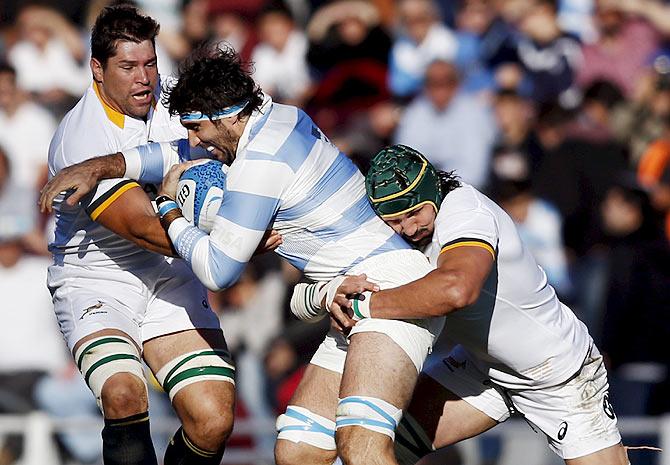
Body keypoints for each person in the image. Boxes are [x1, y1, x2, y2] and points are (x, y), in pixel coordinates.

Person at [40, 45, 444, 465]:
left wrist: (169, 210)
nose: (193, 139)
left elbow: (219, 271)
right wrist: (101, 166)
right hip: (351, 296)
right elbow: (177, 152)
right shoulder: (278, 116)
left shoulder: (261, 164)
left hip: (391, 291)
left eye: (197, 127)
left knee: (362, 449)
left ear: (229, 115)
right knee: (297, 453)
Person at [298, 145, 629, 465]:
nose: (408, 228)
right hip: (483, 367)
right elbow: (305, 296)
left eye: (414, 212)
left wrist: (365, 307)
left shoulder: (465, 209)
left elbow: (457, 291)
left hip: (559, 374)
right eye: (395, 221)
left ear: (433, 193)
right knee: (366, 451)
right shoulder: (402, 230)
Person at [43, 6, 237, 465]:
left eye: (149, 64)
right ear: (97, 69)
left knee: (213, 420)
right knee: (124, 393)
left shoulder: (173, 109)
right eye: (128, 67)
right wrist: (237, 239)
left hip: (171, 275)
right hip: (99, 278)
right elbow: (145, 230)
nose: (144, 79)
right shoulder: (82, 136)